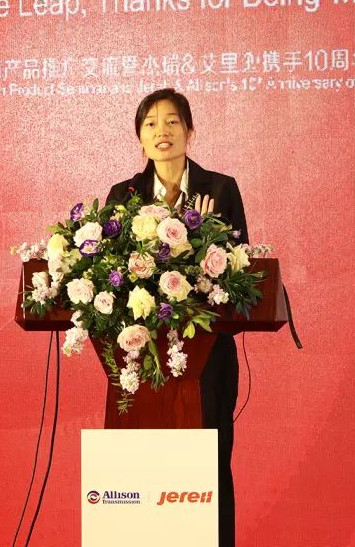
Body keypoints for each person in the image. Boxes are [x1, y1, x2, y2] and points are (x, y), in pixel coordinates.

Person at [105, 88, 247, 547]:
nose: (161, 131)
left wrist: (203, 241)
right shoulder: (122, 196)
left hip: (207, 360)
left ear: (190, 131)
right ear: (139, 138)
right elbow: (108, 274)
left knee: (209, 467)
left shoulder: (220, 189)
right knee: (142, 470)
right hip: (141, 359)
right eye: (150, 124)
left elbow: (240, 270)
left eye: (171, 121)